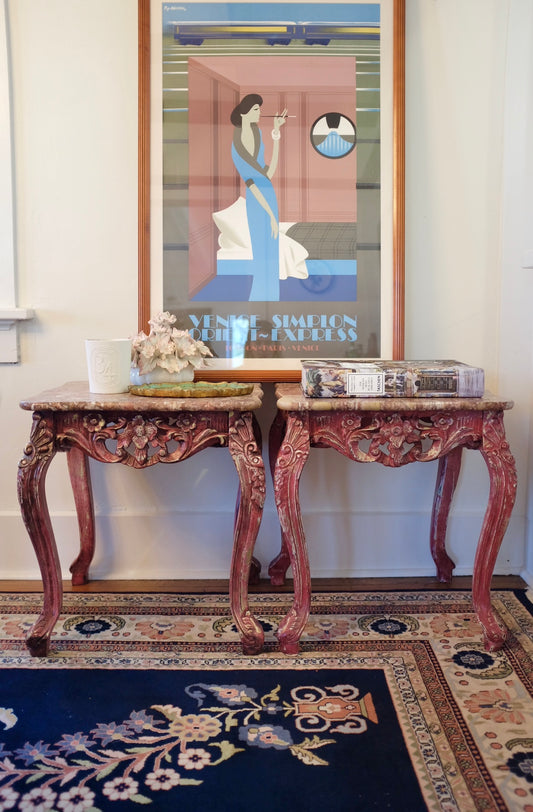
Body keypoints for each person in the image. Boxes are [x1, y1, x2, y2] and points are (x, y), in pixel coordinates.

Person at [230, 94, 287, 300]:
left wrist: (276, 135)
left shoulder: (257, 133)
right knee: (261, 250)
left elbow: (268, 173)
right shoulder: (236, 147)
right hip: (257, 201)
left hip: (268, 194)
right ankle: (259, 296)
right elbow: (252, 184)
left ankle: (272, 296)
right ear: (244, 113)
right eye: (256, 109)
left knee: (272, 249)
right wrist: (270, 215)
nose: (260, 112)